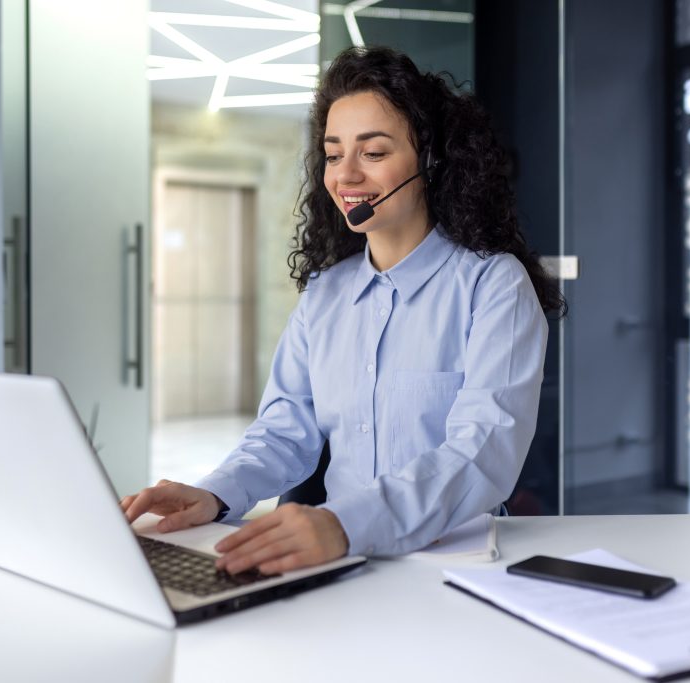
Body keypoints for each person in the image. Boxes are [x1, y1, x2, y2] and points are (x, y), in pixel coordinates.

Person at [122, 46, 565, 575]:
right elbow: (286, 428)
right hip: (338, 559)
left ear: (430, 160)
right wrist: (214, 493)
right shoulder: (325, 294)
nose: (346, 175)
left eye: (373, 153)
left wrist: (347, 524)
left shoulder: (493, 286)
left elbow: (481, 453)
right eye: (333, 155)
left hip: (453, 564)